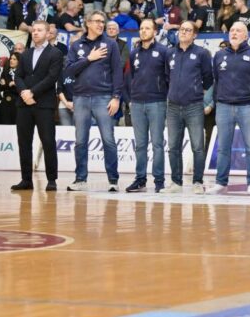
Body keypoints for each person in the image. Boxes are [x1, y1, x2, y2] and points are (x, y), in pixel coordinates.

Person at [64, 10, 124, 192]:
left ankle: (113, 180)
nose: (100, 24)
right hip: (80, 98)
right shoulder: (76, 45)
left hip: (103, 98)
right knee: (80, 141)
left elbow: (117, 72)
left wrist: (116, 97)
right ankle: (80, 179)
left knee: (108, 140)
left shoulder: (110, 44)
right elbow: (69, 71)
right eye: (97, 21)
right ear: (88, 23)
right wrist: (89, 59)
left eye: (102, 21)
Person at [209, 22, 250, 194]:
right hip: (224, 106)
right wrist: (219, 99)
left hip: (247, 106)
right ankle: (221, 182)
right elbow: (216, 79)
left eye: (238, 30)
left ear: (246, 36)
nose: (234, 33)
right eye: (232, 30)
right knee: (223, 147)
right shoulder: (219, 55)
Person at [12, 20, 64, 191]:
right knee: (24, 142)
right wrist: (24, 93)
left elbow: (51, 78)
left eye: (39, 30)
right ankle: (26, 179)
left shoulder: (55, 53)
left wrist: (31, 92)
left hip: (44, 104)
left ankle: (51, 179)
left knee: (48, 141)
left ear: (48, 33)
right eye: (33, 30)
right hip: (24, 104)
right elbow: (18, 76)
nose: (35, 33)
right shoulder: (26, 53)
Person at [124, 19, 171, 193]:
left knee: (157, 143)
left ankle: (159, 180)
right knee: (140, 144)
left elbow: (169, 77)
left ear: (155, 31)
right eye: (142, 28)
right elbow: (129, 78)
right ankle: (140, 179)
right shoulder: (134, 53)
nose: (143, 31)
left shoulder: (164, 51)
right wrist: (130, 99)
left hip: (157, 102)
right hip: (137, 103)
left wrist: (165, 97)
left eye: (147, 28)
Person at [166, 21, 213, 195]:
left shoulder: (202, 53)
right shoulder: (170, 53)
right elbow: (166, 76)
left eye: (188, 30)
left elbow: (208, 78)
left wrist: (196, 91)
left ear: (195, 35)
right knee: (173, 146)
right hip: (173, 107)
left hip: (194, 106)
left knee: (198, 146)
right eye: (181, 29)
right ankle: (176, 182)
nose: (183, 32)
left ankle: (197, 182)